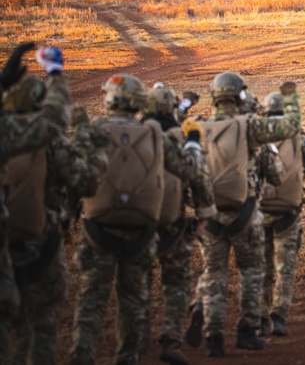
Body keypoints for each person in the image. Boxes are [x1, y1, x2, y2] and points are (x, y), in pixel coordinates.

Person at [69, 74, 209, 365]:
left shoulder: (94, 129)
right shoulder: (154, 134)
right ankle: (128, 358)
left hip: (98, 229)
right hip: (141, 233)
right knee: (132, 304)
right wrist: (194, 143)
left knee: (91, 300)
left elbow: (72, 172)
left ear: (110, 98)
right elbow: (189, 170)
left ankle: (82, 354)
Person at [187, 72, 301, 357]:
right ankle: (248, 331)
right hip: (245, 214)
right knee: (252, 272)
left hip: (210, 215)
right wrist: (291, 99)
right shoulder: (248, 126)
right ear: (240, 96)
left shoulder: (198, 128)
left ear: (214, 96)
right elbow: (289, 127)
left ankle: (212, 337)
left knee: (214, 275)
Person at [0, 45, 78, 364]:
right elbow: (56, 120)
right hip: (38, 243)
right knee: (41, 325)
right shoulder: (22, 136)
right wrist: (55, 73)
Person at [142, 84, 216, 365]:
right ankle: (171, 340)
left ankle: (136, 339)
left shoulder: (137, 134)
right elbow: (198, 177)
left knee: (138, 286)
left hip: (138, 226)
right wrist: (204, 215)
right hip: (172, 222)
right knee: (176, 284)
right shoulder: (180, 136)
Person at [257, 91, 305, 338]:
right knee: (285, 267)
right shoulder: (299, 137)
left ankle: (258, 318)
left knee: (260, 267)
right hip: (288, 213)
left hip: (257, 212)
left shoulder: (254, 136)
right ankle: (278, 317)